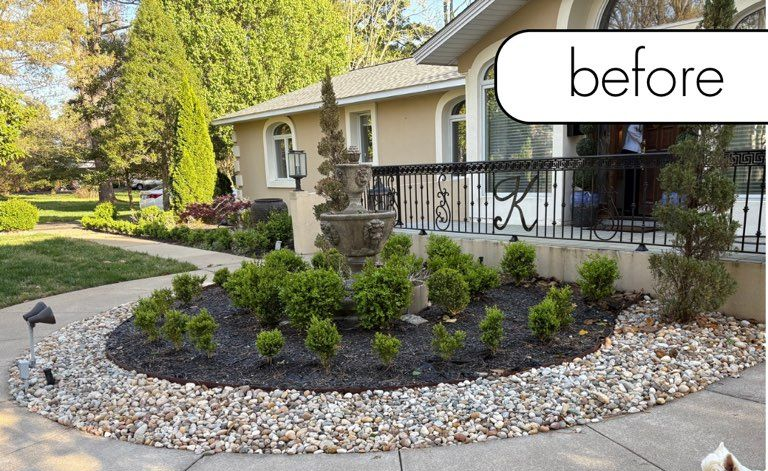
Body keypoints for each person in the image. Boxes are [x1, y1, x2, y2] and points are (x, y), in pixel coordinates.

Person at [622, 124, 643, 215]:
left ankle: (632, 208)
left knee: (635, 182)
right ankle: (629, 209)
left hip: (634, 152)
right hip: (631, 152)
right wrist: (641, 139)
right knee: (631, 182)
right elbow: (630, 129)